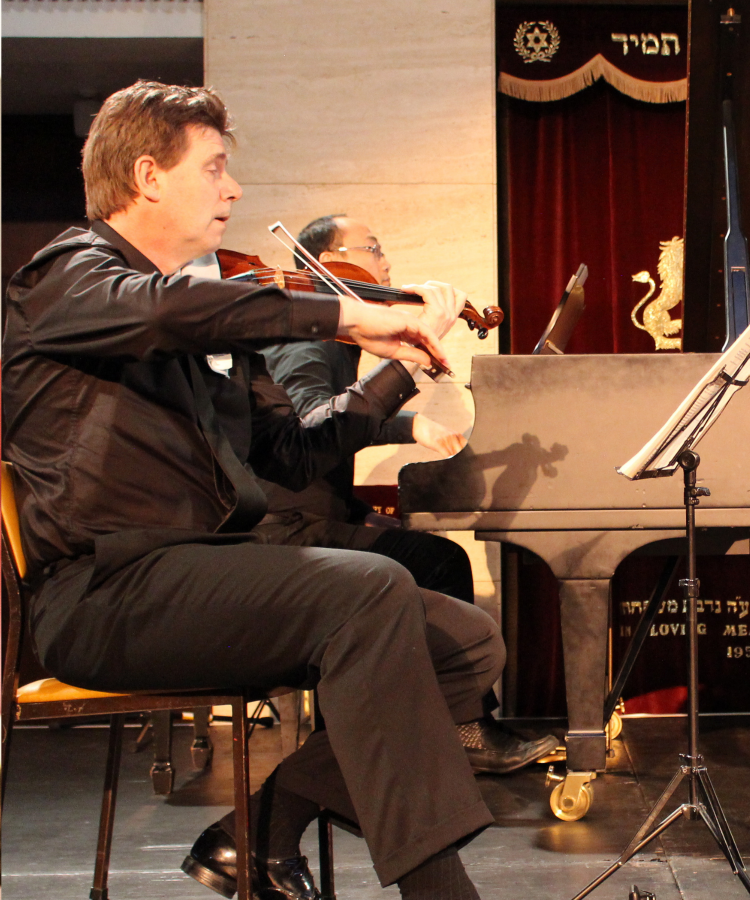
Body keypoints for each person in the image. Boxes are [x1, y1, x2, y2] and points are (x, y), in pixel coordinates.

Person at [2, 81, 498, 900]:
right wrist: (343, 318)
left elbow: (293, 454)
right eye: (216, 168)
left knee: (468, 643)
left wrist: (398, 369)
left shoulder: (208, 315)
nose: (232, 190)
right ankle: (441, 893)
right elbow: (161, 315)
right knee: (371, 589)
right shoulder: (66, 277)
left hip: (206, 573)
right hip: (105, 593)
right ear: (149, 176)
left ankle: (260, 829)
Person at [253, 213, 557, 774]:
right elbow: (306, 431)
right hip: (288, 532)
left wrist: (407, 423)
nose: (386, 262)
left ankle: (423, 725)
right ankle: (458, 728)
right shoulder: (305, 344)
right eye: (372, 247)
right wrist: (403, 382)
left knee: (417, 545)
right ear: (327, 265)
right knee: (437, 560)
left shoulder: (328, 338)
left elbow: (340, 410)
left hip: (315, 516)